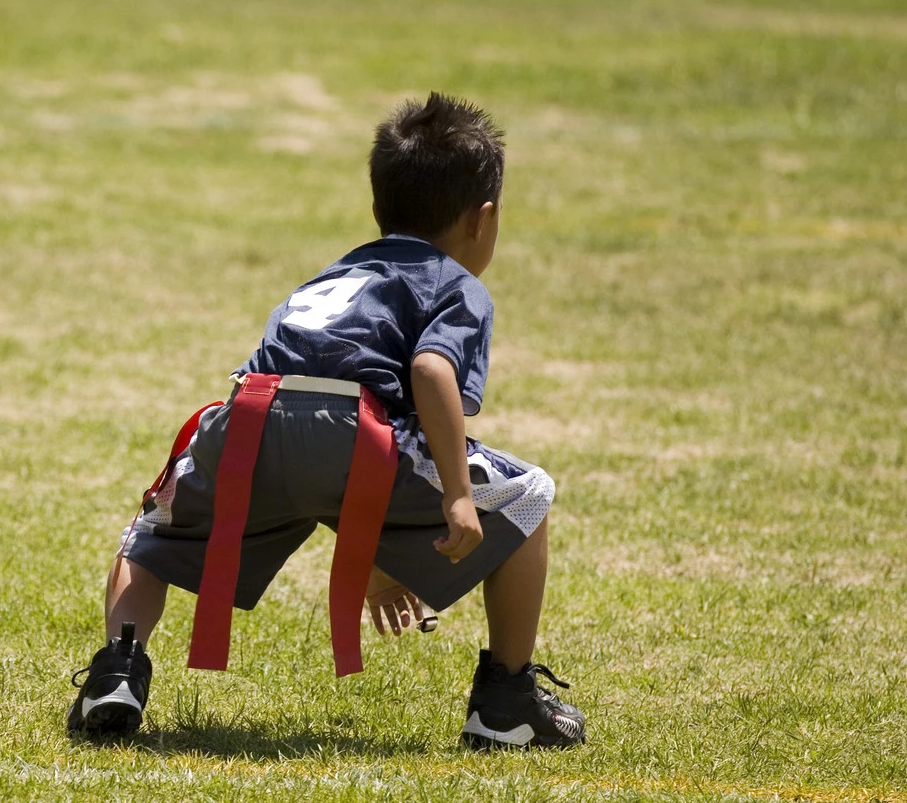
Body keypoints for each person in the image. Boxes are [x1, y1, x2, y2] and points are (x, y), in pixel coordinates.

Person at [66, 93, 587, 750]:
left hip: (249, 418)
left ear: (379, 210)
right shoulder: (456, 283)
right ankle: (507, 698)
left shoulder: (336, 272)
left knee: (149, 532)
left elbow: (301, 423)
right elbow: (427, 374)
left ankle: (118, 665)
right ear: (483, 220)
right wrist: (456, 493)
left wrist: (370, 554)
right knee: (530, 496)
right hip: (352, 434)